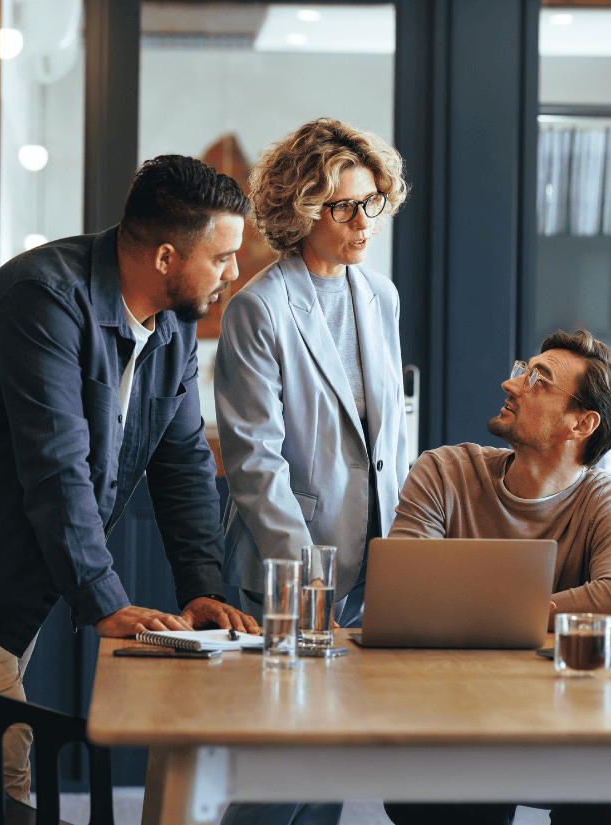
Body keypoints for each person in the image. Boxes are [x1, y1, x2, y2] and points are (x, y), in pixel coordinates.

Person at [0, 155, 260, 805]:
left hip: (20, 546)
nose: (234, 272)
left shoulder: (172, 328)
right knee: (0, 763)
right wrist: (104, 600)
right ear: (167, 257)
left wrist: (202, 591)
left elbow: (184, 461)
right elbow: (57, 465)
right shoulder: (44, 301)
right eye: (222, 257)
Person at [214, 117, 409, 825]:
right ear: (303, 209)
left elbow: (391, 437)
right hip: (290, 579)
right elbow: (254, 462)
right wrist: (310, 586)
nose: (364, 221)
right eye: (345, 206)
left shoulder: (379, 297)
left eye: (371, 202)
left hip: (374, 569)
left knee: (327, 763)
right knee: (275, 770)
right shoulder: (258, 309)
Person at [383, 329, 611, 825]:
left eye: (538, 380)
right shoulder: (444, 471)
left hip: (561, 723)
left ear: (582, 423)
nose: (512, 385)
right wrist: (536, 610)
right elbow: (403, 591)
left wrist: (488, 611)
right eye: (521, 370)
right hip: (450, 715)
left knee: (590, 788)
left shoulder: (608, 499)